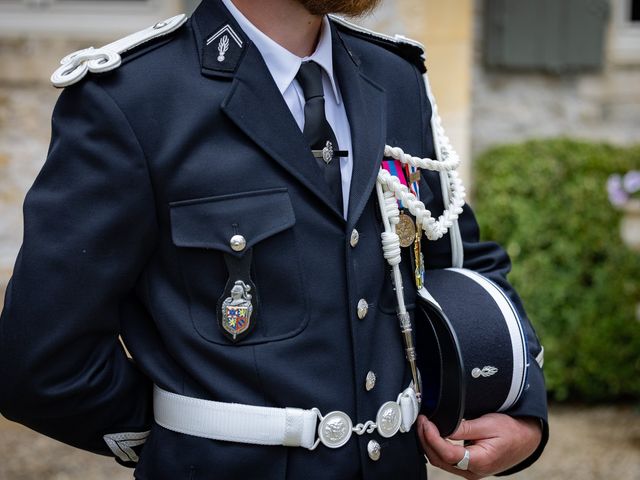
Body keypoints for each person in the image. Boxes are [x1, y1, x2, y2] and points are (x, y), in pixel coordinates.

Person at [0, 0, 548, 478]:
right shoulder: (132, 98)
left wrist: (519, 404)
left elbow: (458, 262)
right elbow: (43, 363)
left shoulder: (395, 75)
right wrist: (192, 436)